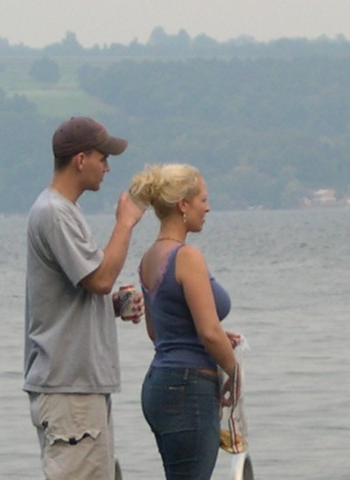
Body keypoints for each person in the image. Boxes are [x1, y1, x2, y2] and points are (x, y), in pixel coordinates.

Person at [24, 116, 145, 480]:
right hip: (69, 389)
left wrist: (111, 309)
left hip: (76, 388)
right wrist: (125, 223)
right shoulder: (55, 213)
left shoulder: (63, 212)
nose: (107, 167)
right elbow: (101, 278)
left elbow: (76, 294)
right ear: (80, 160)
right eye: (102, 157)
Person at [128, 163, 242, 480]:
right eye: (203, 199)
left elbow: (157, 332)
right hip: (189, 389)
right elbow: (208, 332)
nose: (207, 207)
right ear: (183, 205)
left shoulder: (148, 259)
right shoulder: (187, 257)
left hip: (158, 384)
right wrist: (234, 373)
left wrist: (214, 335)